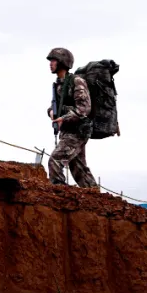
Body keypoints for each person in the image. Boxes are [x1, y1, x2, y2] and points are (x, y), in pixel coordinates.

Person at [45, 48, 98, 188]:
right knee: (79, 169)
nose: (50, 64)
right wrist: (51, 112)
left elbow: (84, 108)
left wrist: (64, 118)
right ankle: (95, 197)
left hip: (78, 130)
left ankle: (59, 194)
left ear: (62, 62)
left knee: (55, 160)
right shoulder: (58, 85)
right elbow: (54, 107)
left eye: (53, 61)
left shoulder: (77, 81)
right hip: (67, 132)